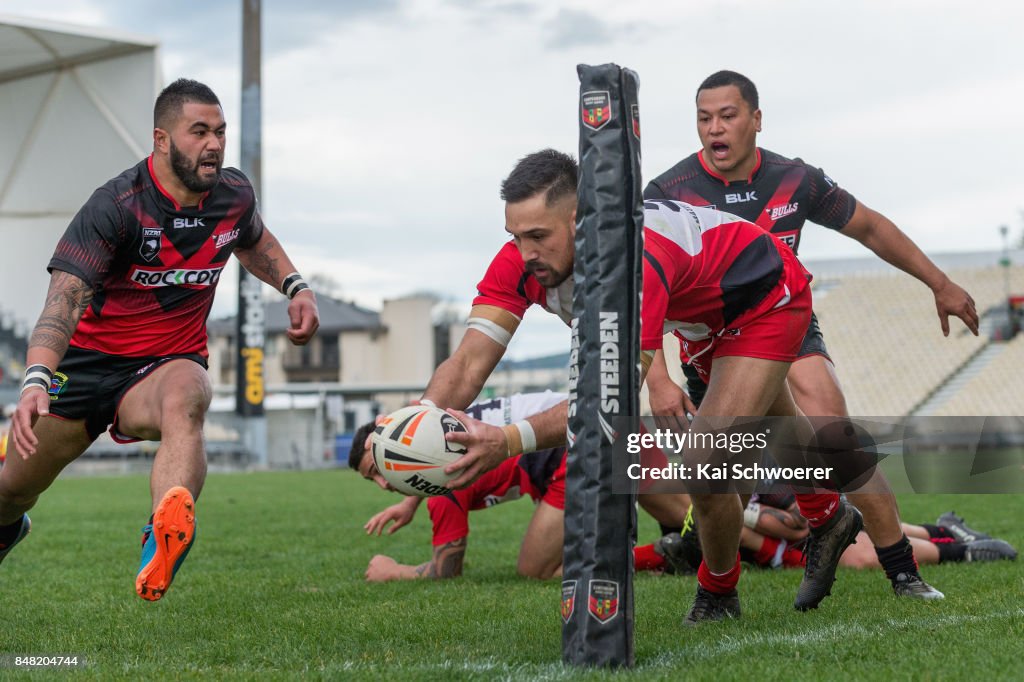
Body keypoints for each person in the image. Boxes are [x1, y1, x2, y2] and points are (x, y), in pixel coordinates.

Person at [420, 149, 853, 626]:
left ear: (583, 219)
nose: (525, 254)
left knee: (705, 467)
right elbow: (466, 364)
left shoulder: (633, 264)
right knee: (776, 422)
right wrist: (416, 420)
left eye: (539, 236)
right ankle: (830, 517)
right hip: (701, 315)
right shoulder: (522, 261)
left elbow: (610, 400)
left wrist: (507, 439)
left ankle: (718, 596)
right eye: (516, 236)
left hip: (765, 296)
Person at [643, 70, 980, 604]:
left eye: (727, 116)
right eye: (703, 119)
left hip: (781, 316)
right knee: (722, 479)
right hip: (710, 346)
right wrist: (657, 378)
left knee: (831, 425)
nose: (714, 129)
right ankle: (808, 530)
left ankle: (902, 572)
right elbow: (643, 291)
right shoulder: (669, 191)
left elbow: (868, 226)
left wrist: (939, 283)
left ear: (756, 119)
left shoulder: (794, 180)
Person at [0, 79, 320, 601]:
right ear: (162, 139)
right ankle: (8, 526)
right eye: (199, 132)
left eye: (220, 131)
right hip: (81, 367)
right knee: (13, 491)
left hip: (163, 367)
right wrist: (37, 377)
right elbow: (65, 299)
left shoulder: (234, 196)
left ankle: (163, 535)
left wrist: (296, 286)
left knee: (188, 394)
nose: (214, 144)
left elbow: (254, 238)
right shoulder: (116, 206)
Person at [355, 392, 691, 581]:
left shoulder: (446, 476)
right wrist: (409, 502)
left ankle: (660, 554)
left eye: (378, 469)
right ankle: (714, 539)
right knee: (698, 517)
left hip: (571, 451)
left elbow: (447, 569)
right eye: (372, 480)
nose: (384, 483)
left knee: (535, 569)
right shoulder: (434, 438)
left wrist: (394, 571)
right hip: (604, 422)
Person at [662, 492, 1017, 572]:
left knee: (864, 548)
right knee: (863, 547)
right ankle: (948, 531)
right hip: (791, 547)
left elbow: (797, 520)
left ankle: (960, 546)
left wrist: (740, 513)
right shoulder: (697, 494)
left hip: (814, 522)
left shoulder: (759, 460)